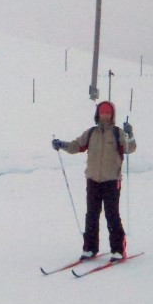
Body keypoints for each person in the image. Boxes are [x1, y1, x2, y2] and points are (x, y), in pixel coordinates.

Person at [51, 100, 136, 262]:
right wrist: (61, 144)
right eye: (102, 112)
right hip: (93, 181)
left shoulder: (118, 133)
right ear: (98, 114)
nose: (105, 115)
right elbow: (76, 146)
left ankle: (118, 250)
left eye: (108, 112)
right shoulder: (91, 133)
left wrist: (129, 134)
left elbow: (130, 148)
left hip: (111, 181)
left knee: (112, 215)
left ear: (112, 115)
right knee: (91, 215)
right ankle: (90, 248)